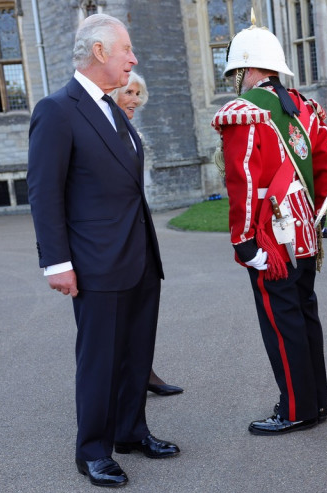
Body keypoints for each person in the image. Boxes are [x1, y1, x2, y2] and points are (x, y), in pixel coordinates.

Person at [26, 14, 179, 488]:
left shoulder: (113, 109)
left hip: (138, 258)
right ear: (99, 53)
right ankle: (92, 450)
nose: (133, 58)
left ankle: (132, 432)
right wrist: (57, 262)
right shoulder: (57, 109)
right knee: (100, 359)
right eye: (126, 50)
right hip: (95, 263)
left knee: (136, 353)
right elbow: (43, 191)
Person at [211, 20, 327, 435]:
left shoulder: (244, 111)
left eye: (236, 73)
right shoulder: (306, 107)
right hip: (302, 227)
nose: (236, 81)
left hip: (269, 231)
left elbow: (243, 181)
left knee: (281, 320)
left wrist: (243, 240)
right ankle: (315, 403)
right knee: (304, 313)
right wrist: (314, 218)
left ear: (246, 69)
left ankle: (296, 409)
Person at [110, 71, 184, 397]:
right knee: (118, 317)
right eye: (129, 92)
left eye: (139, 93)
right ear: (113, 93)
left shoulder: (129, 131)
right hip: (113, 242)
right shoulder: (102, 132)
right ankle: (123, 384)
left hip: (139, 236)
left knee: (143, 312)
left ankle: (145, 373)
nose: (136, 100)